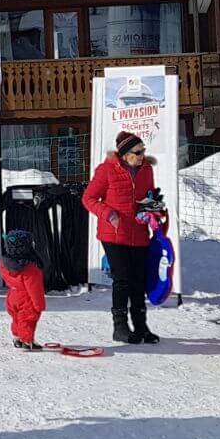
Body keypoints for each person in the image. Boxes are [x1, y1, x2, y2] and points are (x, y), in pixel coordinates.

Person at [82, 131, 160, 345]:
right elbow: (88, 198)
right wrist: (108, 213)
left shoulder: (146, 170)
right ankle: (120, 326)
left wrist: (154, 209)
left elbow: (148, 196)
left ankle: (141, 326)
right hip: (114, 234)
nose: (142, 155)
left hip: (139, 233)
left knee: (138, 280)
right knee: (122, 278)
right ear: (125, 154)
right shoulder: (106, 170)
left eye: (143, 150)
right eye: (138, 151)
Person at [1, 228, 50, 350]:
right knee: (28, 320)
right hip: (26, 298)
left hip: (12, 295)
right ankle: (27, 341)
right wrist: (39, 305)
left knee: (17, 318)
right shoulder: (30, 269)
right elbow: (35, 289)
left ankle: (17, 337)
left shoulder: (5, 262)